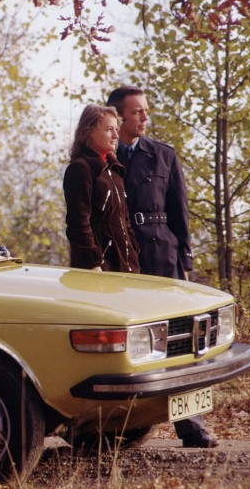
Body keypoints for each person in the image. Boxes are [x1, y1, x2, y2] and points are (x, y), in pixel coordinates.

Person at [107, 85, 219, 449]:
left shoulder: (163, 155)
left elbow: (180, 215)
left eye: (145, 111)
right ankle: (113, 427)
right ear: (118, 115)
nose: (144, 117)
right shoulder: (100, 157)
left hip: (162, 258)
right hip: (120, 263)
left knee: (180, 343)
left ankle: (192, 427)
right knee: (125, 346)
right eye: (137, 111)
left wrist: (185, 263)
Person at [62, 103, 139, 273]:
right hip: (99, 271)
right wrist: (93, 264)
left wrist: (133, 252)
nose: (115, 135)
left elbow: (124, 221)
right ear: (89, 131)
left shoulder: (115, 169)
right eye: (109, 130)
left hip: (127, 268)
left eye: (116, 130)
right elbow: (78, 224)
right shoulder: (80, 169)